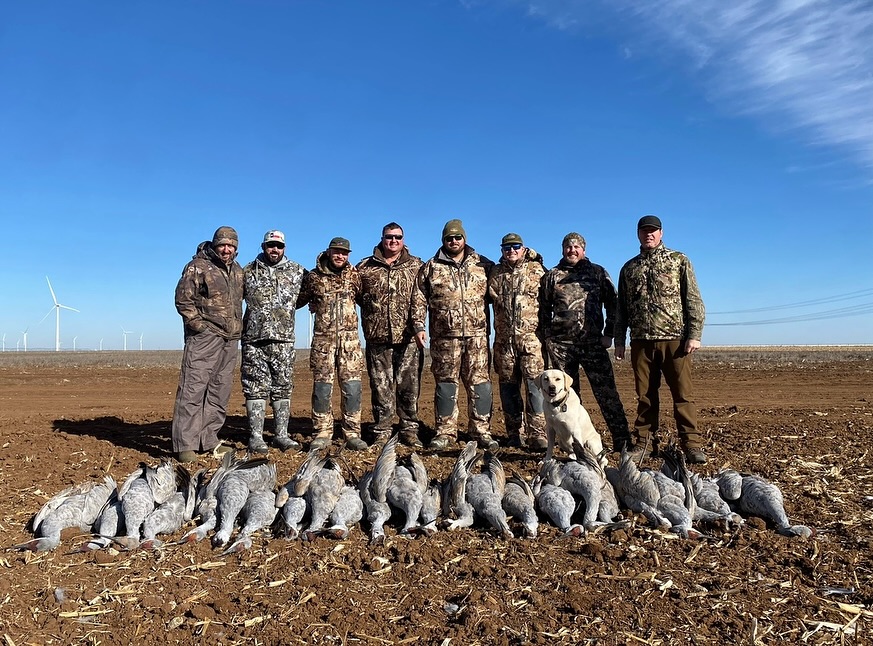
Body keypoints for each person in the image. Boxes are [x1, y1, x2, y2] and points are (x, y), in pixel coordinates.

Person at [614, 215, 707, 464]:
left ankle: (691, 444)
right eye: (644, 231)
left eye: (653, 231)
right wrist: (619, 339)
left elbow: (693, 299)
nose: (649, 235)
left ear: (661, 233)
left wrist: (694, 334)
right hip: (641, 341)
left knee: (683, 394)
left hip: (674, 341)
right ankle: (644, 443)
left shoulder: (679, 261)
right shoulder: (629, 268)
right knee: (645, 395)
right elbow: (621, 308)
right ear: (638, 234)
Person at [539, 232, 632, 454]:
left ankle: (622, 441)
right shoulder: (552, 276)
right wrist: (546, 337)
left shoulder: (598, 273)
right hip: (561, 346)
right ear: (563, 249)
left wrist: (609, 333)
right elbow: (542, 310)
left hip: (593, 344)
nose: (572, 250)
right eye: (568, 247)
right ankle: (571, 447)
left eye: (576, 247)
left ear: (584, 249)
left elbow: (613, 304)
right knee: (566, 398)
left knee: (607, 393)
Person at [412, 219, 497, 452]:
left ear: (464, 239)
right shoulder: (431, 267)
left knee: (480, 385)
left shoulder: (483, 265)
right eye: (449, 238)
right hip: (444, 340)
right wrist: (419, 326)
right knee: (446, 385)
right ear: (443, 240)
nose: (454, 241)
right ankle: (445, 432)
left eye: (457, 237)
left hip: (477, 338)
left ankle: (481, 431)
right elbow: (419, 299)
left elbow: (506, 284)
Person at [172, 226, 244, 463]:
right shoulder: (198, 266)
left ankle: (209, 440)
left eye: (231, 246)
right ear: (214, 245)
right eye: (223, 245)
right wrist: (198, 326)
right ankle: (185, 445)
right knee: (194, 388)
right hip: (205, 337)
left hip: (230, 338)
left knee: (219, 391)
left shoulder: (237, 271)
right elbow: (183, 299)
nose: (227, 249)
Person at [356, 222, 425, 449]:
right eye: (389, 237)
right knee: (380, 388)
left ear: (403, 239)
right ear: (382, 238)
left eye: (397, 237)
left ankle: (409, 431)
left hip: (408, 339)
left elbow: (423, 298)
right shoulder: (365, 267)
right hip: (378, 339)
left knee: (409, 387)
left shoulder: (417, 266)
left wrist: (419, 327)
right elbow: (355, 296)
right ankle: (382, 432)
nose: (393, 241)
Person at [297, 237, 367, 451]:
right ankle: (322, 432)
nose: (340, 256)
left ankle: (352, 433)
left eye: (344, 253)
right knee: (322, 390)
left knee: (353, 389)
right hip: (323, 344)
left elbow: (364, 298)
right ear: (328, 252)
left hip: (350, 345)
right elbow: (299, 300)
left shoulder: (355, 275)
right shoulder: (313, 277)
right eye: (336, 252)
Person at [240, 230, 307, 454]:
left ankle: (281, 435)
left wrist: (283, 313)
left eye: (278, 246)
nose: (274, 250)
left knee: (283, 387)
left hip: (284, 340)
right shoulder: (247, 271)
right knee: (254, 388)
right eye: (270, 245)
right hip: (253, 339)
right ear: (263, 246)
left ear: (284, 247)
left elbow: (306, 296)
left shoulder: (298, 271)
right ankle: (256, 436)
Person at [487, 233, 548, 450]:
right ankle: (514, 433)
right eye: (506, 248)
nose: (511, 251)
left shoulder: (537, 271)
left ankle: (538, 434)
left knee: (534, 389)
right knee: (508, 389)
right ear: (501, 250)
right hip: (504, 343)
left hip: (531, 342)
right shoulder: (494, 273)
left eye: (516, 247)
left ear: (523, 248)